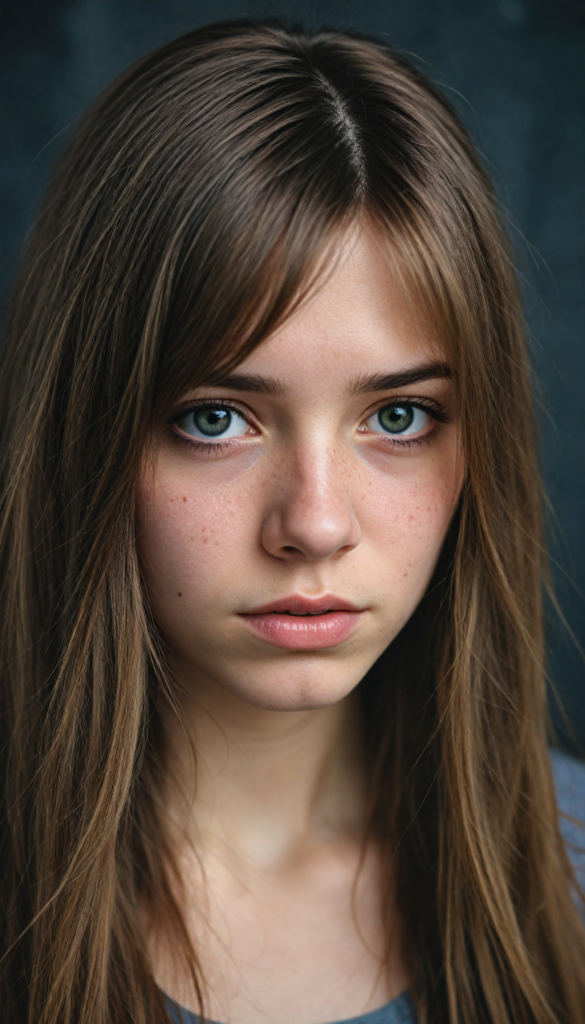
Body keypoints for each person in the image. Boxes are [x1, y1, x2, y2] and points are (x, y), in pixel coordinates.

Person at [0, 18, 584, 1024]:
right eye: (215, 419)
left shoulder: (573, 867)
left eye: (398, 417)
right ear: (89, 434)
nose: (315, 525)